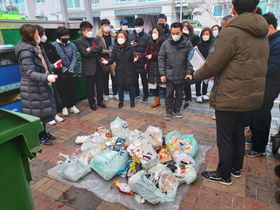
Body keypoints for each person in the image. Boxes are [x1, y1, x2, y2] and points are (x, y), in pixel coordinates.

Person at [195, 0, 269, 185]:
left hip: (229, 94)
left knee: (225, 136)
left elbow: (213, 64)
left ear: (233, 10)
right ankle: (236, 168)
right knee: (237, 133)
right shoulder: (262, 34)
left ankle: (223, 174)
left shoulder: (230, 33)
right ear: (255, 9)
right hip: (250, 94)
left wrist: (195, 75)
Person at [15, 24, 61, 146]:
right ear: (30, 35)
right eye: (37, 33)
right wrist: (46, 77)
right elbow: (29, 72)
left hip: (40, 85)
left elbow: (42, 66)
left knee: (43, 112)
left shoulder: (36, 47)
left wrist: (53, 67)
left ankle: (44, 133)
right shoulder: (26, 51)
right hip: (32, 88)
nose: (39, 36)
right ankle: (40, 136)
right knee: (37, 115)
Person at [245, 12, 280, 157]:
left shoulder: (278, 43)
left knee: (261, 118)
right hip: (258, 87)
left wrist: (253, 66)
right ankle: (255, 139)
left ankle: (259, 148)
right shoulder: (270, 40)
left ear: (270, 27)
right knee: (254, 116)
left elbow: (274, 68)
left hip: (267, 88)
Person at [158, 22, 193, 121]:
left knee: (179, 95)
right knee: (168, 94)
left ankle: (177, 110)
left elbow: (190, 59)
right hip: (169, 74)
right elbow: (161, 59)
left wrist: (189, 73)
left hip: (182, 74)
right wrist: (162, 74)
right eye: (173, 33)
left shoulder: (187, 44)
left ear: (182, 32)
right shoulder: (165, 44)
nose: (175, 35)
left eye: (177, 33)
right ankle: (169, 111)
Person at [34, 25, 64, 125]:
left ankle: (54, 114)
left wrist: (54, 67)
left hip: (50, 74)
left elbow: (51, 60)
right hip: (42, 77)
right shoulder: (32, 49)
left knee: (53, 95)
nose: (44, 36)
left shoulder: (46, 46)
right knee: (44, 99)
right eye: (42, 34)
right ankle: (48, 117)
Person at [101, 31, 138, 108]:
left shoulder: (130, 47)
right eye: (118, 37)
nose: (120, 39)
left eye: (122, 37)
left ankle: (132, 101)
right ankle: (121, 101)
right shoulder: (115, 48)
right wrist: (107, 61)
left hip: (130, 70)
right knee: (120, 87)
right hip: (119, 70)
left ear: (126, 38)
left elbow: (135, 55)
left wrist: (136, 58)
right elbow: (112, 58)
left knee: (131, 87)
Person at [76, 21, 107, 111]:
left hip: (99, 67)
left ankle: (100, 101)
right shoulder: (79, 41)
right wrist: (95, 51)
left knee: (100, 85)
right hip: (89, 68)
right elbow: (85, 53)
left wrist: (91, 49)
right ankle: (92, 103)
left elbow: (100, 48)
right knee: (90, 87)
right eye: (88, 30)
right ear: (83, 31)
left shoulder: (95, 39)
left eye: (91, 29)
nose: (90, 31)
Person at [52, 26, 79, 116]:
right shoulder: (53, 46)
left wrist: (71, 68)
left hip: (72, 73)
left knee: (72, 89)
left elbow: (75, 57)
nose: (67, 38)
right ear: (59, 36)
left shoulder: (72, 45)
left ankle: (72, 105)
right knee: (62, 91)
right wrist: (63, 69)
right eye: (64, 36)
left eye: (68, 36)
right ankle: (64, 107)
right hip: (60, 73)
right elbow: (54, 60)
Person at [96, 18, 118, 101]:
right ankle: (106, 94)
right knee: (105, 78)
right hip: (103, 59)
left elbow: (117, 45)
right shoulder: (98, 37)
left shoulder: (114, 35)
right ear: (101, 26)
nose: (107, 27)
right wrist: (105, 51)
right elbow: (97, 48)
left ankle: (115, 93)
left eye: (108, 25)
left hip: (113, 59)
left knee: (114, 77)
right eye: (105, 25)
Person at [129, 17, 150, 101]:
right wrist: (131, 45)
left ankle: (145, 94)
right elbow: (127, 48)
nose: (138, 28)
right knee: (134, 79)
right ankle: (136, 93)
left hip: (143, 61)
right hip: (133, 62)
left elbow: (148, 49)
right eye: (136, 26)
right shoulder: (130, 36)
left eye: (139, 26)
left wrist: (142, 57)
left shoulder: (147, 36)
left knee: (144, 79)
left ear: (143, 26)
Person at [145, 25, 165, 108]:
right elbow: (146, 53)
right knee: (154, 85)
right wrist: (146, 62)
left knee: (164, 85)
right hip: (152, 67)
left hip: (161, 66)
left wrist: (152, 55)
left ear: (159, 33)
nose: (154, 34)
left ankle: (168, 102)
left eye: (155, 32)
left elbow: (162, 53)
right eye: (153, 32)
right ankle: (157, 101)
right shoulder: (150, 42)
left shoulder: (164, 42)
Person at [182, 22, 200, 108]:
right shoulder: (180, 38)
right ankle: (183, 97)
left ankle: (187, 100)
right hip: (181, 62)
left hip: (190, 62)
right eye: (183, 29)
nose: (184, 30)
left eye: (186, 29)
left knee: (187, 82)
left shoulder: (195, 38)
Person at [195, 27, 213, 103]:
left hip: (208, 65)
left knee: (206, 80)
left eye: (207, 34)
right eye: (203, 34)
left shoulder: (213, 45)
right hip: (199, 65)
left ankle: (204, 94)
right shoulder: (199, 45)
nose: (205, 36)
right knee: (198, 80)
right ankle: (198, 95)